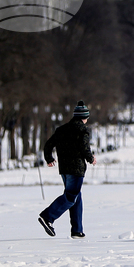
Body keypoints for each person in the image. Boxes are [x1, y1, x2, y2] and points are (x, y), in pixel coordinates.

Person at [38, 102, 96, 239]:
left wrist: (49, 158)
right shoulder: (83, 130)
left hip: (64, 168)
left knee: (76, 197)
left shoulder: (61, 129)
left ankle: (77, 230)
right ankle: (47, 217)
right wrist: (91, 158)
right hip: (76, 169)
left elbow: (48, 145)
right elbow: (84, 147)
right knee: (71, 196)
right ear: (84, 117)